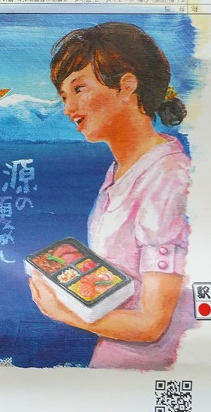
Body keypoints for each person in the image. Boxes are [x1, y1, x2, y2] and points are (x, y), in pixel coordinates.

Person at [28, 21, 194, 370]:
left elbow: (151, 324)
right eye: (64, 96)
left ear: (127, 86)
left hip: (151, 370)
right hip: (115, 362)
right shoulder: (123, 170)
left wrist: (62, 310)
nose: (68, 108)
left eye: (79, 88)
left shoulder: (167, 177)